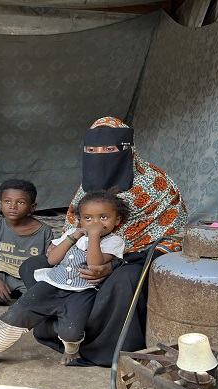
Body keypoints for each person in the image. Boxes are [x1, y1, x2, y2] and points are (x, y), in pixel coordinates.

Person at [19, 116, 188, 366]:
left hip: (134, 259)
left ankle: (102, 348)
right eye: (92, 150)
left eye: (110, 149)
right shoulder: (88, 187)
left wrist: (114, 264)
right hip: (84, 254)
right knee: (32, 266)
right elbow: (75, 226)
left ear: (127, 149)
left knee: (124, 280)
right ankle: (62, 331)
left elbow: (172, 237)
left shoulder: (157, 184)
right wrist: (64, 246)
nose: (101, 155)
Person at [0, 190, 130, 380]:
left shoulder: (114, 241)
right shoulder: (74, 234)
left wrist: (94, 237)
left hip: (82, 292)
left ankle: (71, 349)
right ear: (80, 220)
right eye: (88, 218)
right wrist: (71, 238)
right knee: (18, 312)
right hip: (51, 285)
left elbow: (95, 264)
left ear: (117, 220)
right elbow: (52, 259)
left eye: (103, 217)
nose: (95, 223)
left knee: (71, 331)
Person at [0, 179, 53, 310]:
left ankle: (12, 295)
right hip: (3, 273)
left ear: (32, 207)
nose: (13, 206)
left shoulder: (44, 231)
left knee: (37, 306)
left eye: (21, 202)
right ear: (0, 204)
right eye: (7, 201)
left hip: (29, 277)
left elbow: (50, 262)